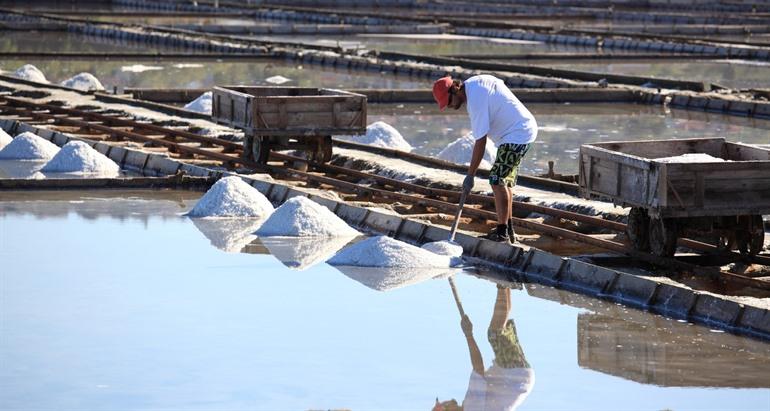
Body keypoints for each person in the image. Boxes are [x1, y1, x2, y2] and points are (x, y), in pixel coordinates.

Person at [432, 75, 538, 243]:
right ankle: (507, 230)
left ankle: (502, 233)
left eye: (449, 101)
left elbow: (480, 143)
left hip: (517, 133)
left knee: (497, 180)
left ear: (455, 89)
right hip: (518, 131)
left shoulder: (475, 101)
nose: (450, 106)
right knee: (504, 182)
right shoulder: (475, 84)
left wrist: (470, 175)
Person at [433, 283, 534, 411]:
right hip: (514, 376)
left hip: (518, 378)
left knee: (499, 330)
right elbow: (478, 368)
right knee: (494, 334)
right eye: (443, 405)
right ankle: (503, 283)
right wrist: (468, 334)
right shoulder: (471, 407)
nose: (445, 401)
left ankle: (508, 281)